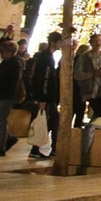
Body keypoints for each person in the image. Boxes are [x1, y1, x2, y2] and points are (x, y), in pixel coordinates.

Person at [26, 32, 61, 160]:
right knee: (45, 122)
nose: (60, 45)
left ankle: (49, 148)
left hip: (48, 97)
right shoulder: (46, 58)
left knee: (52, 122)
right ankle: (36, 148)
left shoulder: (46, 57)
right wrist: (43, 97)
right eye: (59, 42)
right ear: (53, 43)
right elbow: (44, 79)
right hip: (46, 97)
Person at [0, 39, 23, 158]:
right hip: (0, 95)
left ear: (9, 52)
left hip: (8, 95)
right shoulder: (5, 62)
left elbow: (13, 81)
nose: (1, 54)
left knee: (1, 120)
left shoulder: (16, 63)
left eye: (3, 52)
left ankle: (1, 147)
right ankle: (9, 138)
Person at [73, 32, 101, 128]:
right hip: (85, 90)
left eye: (99, 41)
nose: (98, 43)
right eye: (95, 41)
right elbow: (77, 74)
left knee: (97, 114)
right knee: (80, 113)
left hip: (100, 91)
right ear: (91, 43)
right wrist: (91, 74)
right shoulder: (84, 57)